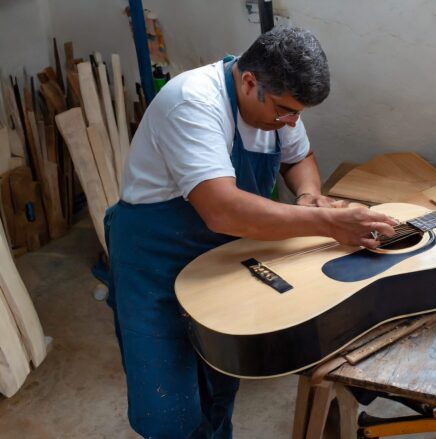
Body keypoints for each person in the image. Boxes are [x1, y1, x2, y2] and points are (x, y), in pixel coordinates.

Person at [104, 27, 396, 438]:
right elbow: (222, 210)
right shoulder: (193, 102)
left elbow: (300, 157)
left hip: (224, 255)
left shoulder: (275, 107)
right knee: (168, 398)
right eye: (284, 111)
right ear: (249, 82)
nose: (291, 122)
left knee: (221, 376)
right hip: (157, 259)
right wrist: (330, 222)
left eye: (298, 114)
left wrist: (310, 195)